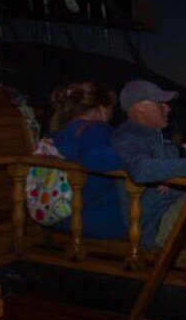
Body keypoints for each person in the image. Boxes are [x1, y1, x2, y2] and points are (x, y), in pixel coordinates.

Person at [111, 80, 186, 247]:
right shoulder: (128, 136)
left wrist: (170, 176)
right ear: (139, 107)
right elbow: (140, 170)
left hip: (171, 213)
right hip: (156, 225)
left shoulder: (160, 138)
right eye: (160, 104)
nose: (167, 108)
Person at [49, 81, 128, 239]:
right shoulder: (96, 129)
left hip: (60, 215)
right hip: (98, 219)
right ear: (101, 109)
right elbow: (99, 159)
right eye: (111, 109)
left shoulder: (61, 133)